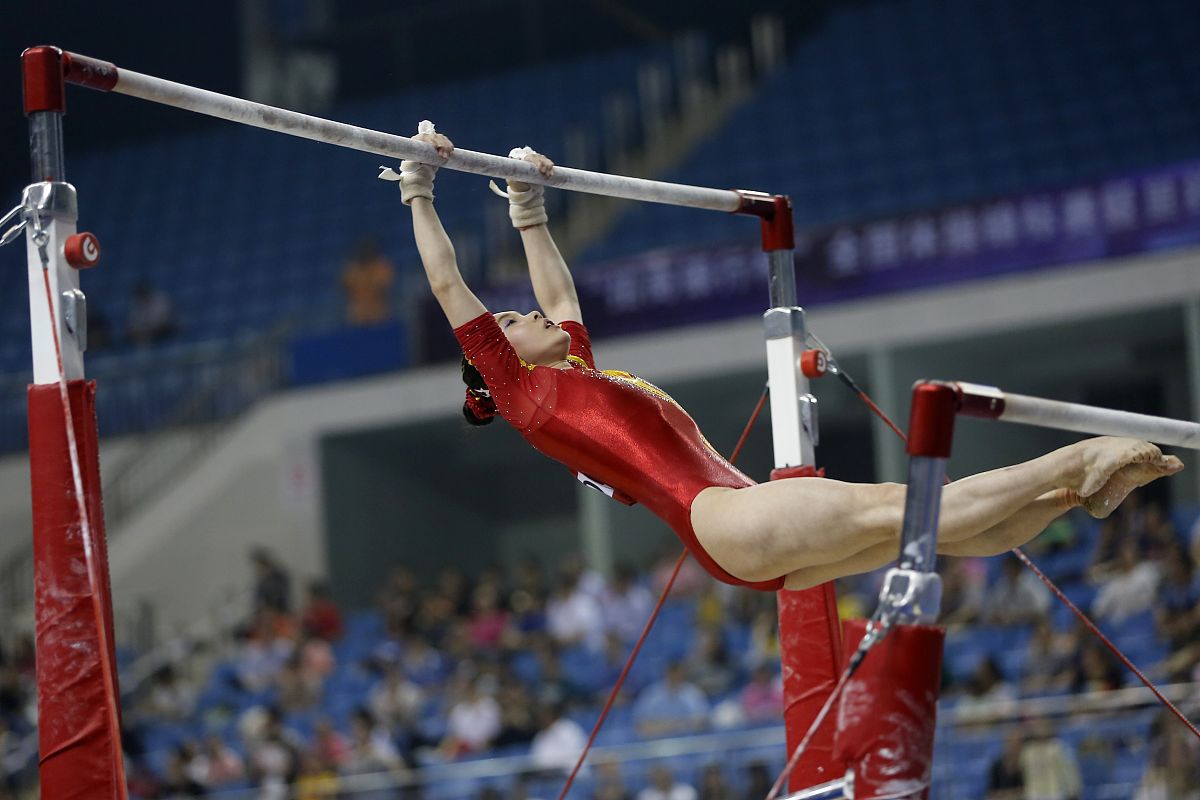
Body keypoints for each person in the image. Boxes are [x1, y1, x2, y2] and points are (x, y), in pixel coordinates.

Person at [391, 121, 1183, 594]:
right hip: (735, 519)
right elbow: (445, 281)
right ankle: (1081, 458)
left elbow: (559, 295)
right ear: (501, 363)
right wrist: (420, 186)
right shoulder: (528, 398)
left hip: (742, 537)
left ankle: (1080, 495)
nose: (530, 314)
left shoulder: (575, 379)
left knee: (934, 532)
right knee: (914, 508)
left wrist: (529, 211)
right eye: (513, 322)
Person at [341, 236, 396, 325]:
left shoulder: (381, 267)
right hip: (358, 316)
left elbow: (384, 286)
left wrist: (370, 276)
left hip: (379, 315)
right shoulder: (353, 270)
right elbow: (344, 286)